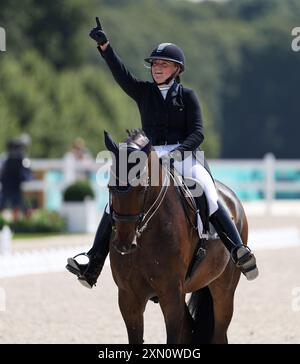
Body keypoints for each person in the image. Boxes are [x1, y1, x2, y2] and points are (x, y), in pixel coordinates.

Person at [66, 17, 258, 288]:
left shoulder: (188, 96)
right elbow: (121, 75)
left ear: (176, 69)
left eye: (163, 64)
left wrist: (178, 153)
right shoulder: (144, 92)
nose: (157, 68)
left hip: (184, 155)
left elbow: (198, 133)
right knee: (118, 196)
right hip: (149, 155)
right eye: (155, 64)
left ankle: (238, 250)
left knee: (208, 191)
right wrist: (106, 47)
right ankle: (93, 261)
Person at [0, 138, 32, 219]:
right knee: (16, 205)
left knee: (19, 206)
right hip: (8, 186)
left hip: (13, 187)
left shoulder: (20, 158)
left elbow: (27, 169)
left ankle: (21, 223)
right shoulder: (6, 158)